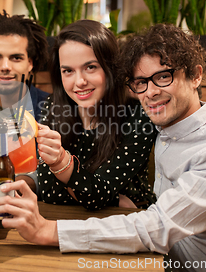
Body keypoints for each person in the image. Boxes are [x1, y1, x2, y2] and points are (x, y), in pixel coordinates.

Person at [0, 24, 206, 271]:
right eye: (140, 82)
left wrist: (46, 230)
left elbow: (155, 227)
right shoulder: (161, 127)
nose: (151, 92)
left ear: (196, 75)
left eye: (163, 76)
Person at [36, 19, 157, 210]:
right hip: (69, 222)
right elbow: (49, 191)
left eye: (90, 67)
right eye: (68, 71)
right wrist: (116, 200)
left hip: (130, 224)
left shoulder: (137, 115)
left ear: (110, 68)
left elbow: (97, 195)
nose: (80, 81)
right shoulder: (53, 106)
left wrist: (62, 164)